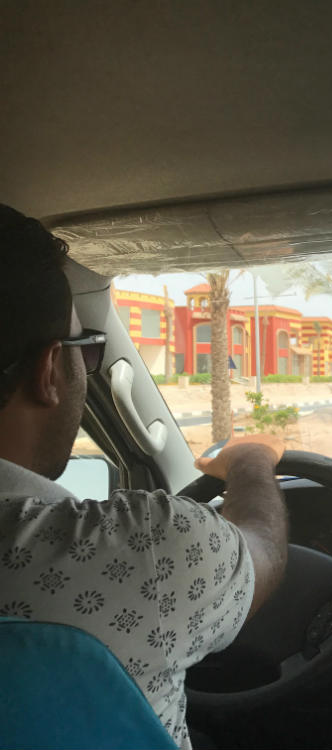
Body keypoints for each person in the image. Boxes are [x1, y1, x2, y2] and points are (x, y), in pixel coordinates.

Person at [0, 204, 288, 749]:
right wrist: (251, 461)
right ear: (48, 371)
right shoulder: (142, 548)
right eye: (87, 351)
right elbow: (265, 553)